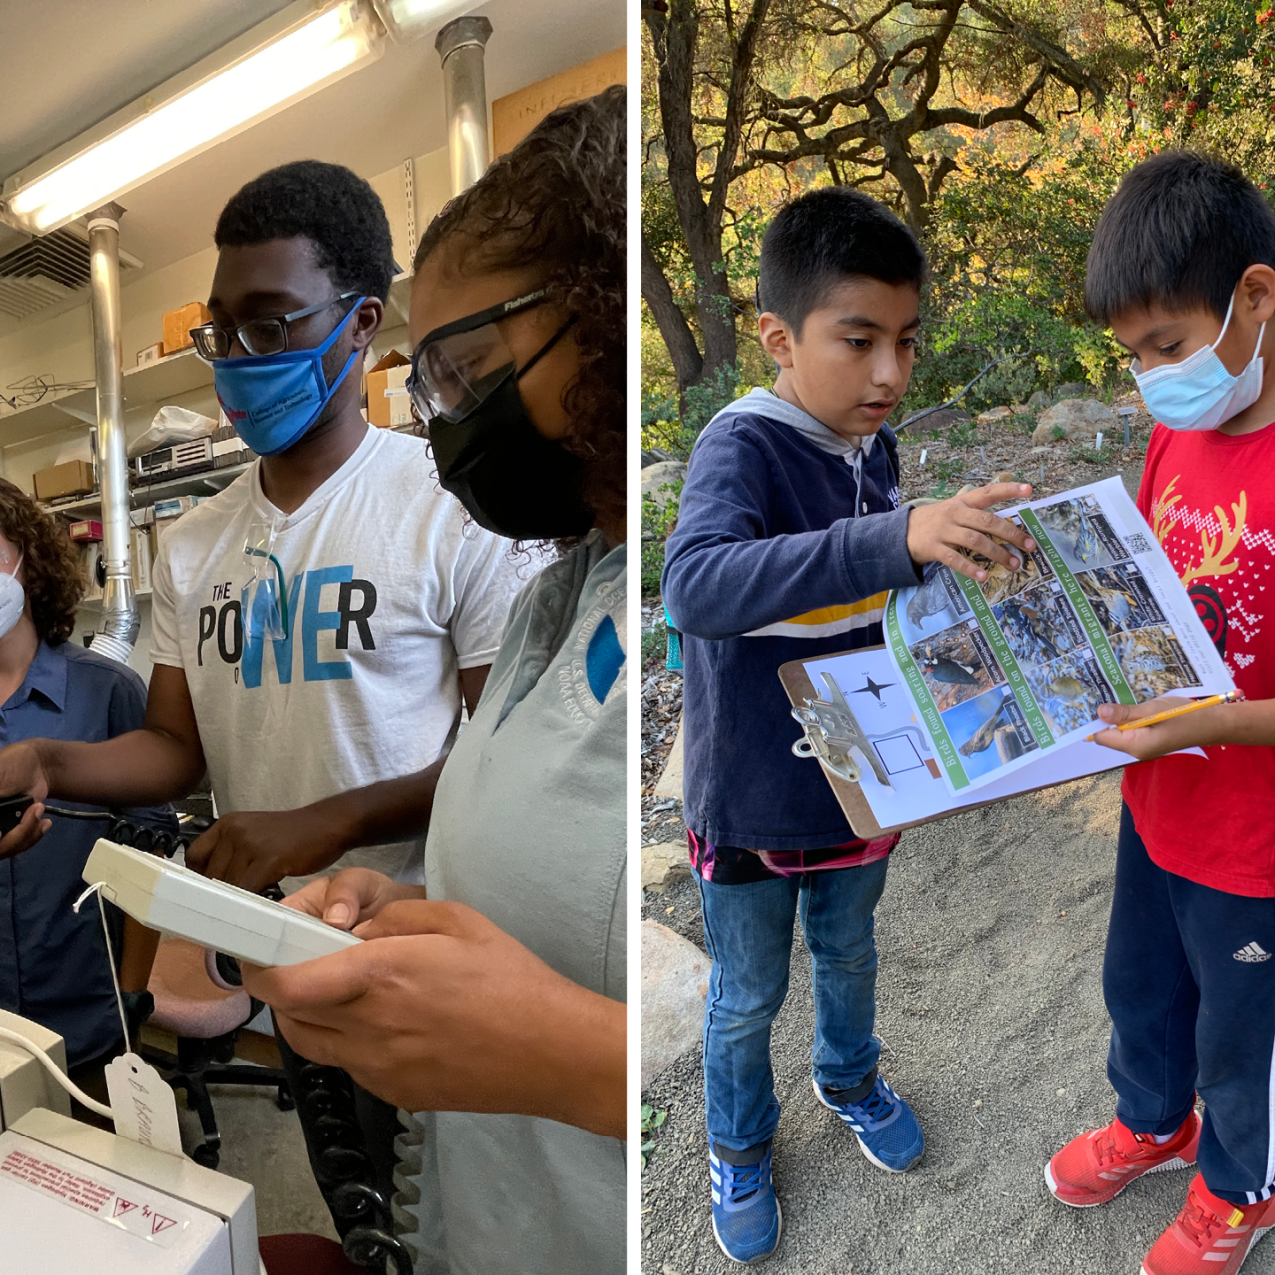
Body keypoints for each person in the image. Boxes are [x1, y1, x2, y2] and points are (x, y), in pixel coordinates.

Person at [0, 160, 533, 1218]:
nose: (240, 361)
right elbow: (172, 746)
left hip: (420, 932)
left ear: (361, 323)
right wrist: (46, 759)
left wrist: (326, 821)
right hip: (270, 946)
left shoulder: (444, 504)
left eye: (273, 326)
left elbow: (506, 753)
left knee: (453, 1195)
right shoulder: (194, 542)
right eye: (222, 333)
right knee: (353, 1192)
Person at [239, 87, 627, 1275]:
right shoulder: (558, 598)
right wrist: (394, 906)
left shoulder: (649, 608)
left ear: (600, 314)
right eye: (437, 383)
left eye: (466, 367)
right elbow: (528, 886)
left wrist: (567, 1052)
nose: (449, 415)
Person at [661, 186, 1039, 1265]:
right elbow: (694, 588)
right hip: (748, 802)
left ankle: (851, 1078)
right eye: (859, 340)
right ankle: (739, 1143)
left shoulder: (869, 447)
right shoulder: (745, 448)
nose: (890, 373)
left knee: (851, 951)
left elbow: (877, 597)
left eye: (908, 342)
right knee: (744, 995)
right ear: (781, 337)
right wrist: (893, 540)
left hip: (861, 779)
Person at [1043, 151, 1275, 1275]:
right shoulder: (1178, 432)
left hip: (1254, 838)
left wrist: (1212, 726)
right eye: (1133, 357)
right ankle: (1153, 1119)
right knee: (1140, 983)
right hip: (1160, 798)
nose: (1151, 379)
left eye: (1170, 348)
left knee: (1244, 1033)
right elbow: (1145, 587)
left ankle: (1239, 1185)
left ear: (1258, 296)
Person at [0, 481, 175, 1071]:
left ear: (28, 560)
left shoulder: (108, 691)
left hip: (86, 1017)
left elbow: (148, 859)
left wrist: (129, 1000)